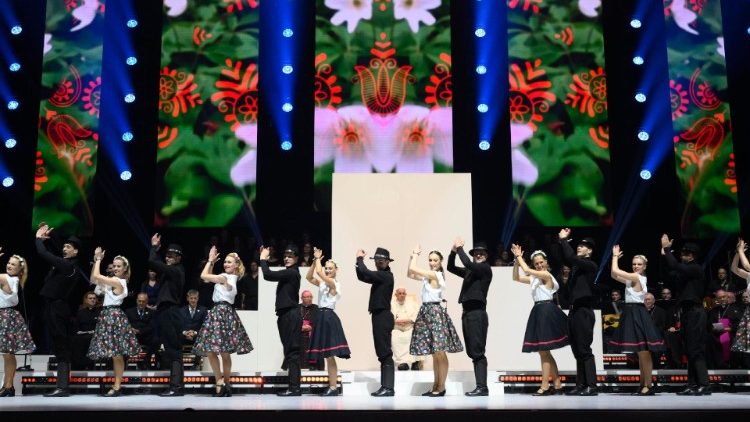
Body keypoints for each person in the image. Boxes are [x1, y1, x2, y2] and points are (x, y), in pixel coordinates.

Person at [193, 246, 254, 397]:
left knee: (224, 352)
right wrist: (212, 263)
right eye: (225, 261)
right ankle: (221, 381)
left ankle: (224, 383)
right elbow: (206, 278)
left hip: (223, 313)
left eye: (229, 262)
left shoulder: (227, 278)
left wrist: (210, 261)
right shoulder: (224, 276)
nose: (226, 264)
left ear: (236, 265)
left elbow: (203, 275)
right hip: (217, 312)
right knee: (211, 350)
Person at [510, 245, 568, 396]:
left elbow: (526, 270)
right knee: (545, 352)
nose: (539, 265)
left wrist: (519, 256)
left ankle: (545, 386)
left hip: (546, 311)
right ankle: (557, 385)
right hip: (539, 310)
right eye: (536, 263)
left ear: (546, 262)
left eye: (541, 262)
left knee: (543, 352)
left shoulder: (546, 275)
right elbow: (516, 277)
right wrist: (516, 262)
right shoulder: (535, 278)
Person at [608, 245, 665, 395]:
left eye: (639, 264)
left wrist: (615, 257)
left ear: (645, 266)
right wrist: (614, 260)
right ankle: (642, 384)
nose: (636, 266)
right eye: (634, 264)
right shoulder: (632, 278)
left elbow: (615, 270)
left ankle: (648, 385)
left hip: (637, 312)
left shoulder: (637, 277)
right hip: (631, 312)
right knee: (640, 352)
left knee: (644, 352)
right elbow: (613, 275)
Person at [35, 224, 84, 397]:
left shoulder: (69, 266)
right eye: (64, 246)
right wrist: (48, 239)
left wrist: (38, 239)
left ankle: (63, 387)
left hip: (58, 308)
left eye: (68, 247)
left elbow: (44, 254)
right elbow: (53, 253)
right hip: (52, 307)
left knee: (61, 347)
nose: (64, 248)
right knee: (58, 347)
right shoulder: (65, 264)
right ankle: (61, 386)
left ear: (76, 252)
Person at [407, 245, 463, 397]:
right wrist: (411, 257)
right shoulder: (429, 276)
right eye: (430, 260)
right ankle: (435, 386)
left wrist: (415, 254)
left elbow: (413, 268)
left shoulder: (435, 275)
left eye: (435, 260)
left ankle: (441, 386)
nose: (432, 263)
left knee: (440, 352)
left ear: (440, 261)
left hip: (434, 313)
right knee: (434, 353)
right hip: (426, 312)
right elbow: (410, 273)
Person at [87, 248, 140, 397]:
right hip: (108, 315)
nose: (115, 268)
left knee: (117, 354)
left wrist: (98, 259)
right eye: (114, 265)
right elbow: (93, 279)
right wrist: (96, 261)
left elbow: (96, 275)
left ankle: (117, 386)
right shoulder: (113, 281)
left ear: (125, 269)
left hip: (113, 316)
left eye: (118, 266)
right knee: (115, 354)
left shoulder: (118, 282)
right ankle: (116, 386)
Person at [661, 234, 710, 395]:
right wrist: (666, 255)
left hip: (696, 311)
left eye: (686, 253)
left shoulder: (696, 268)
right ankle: (692, 384)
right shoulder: (685, 272)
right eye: (682, 253)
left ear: (693, 256)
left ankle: (704, 384)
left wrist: (667, 250)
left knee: (696, 349)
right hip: (687, 312)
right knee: (689, 350)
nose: (683, 255)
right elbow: (671, 271)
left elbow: (676, 266)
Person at [447, 238, 493, 396]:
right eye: (476, 253)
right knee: (472, 351)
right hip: (467, 313)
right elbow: (450, 267)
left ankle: (482, 387)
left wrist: (460, 248)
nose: (478, 255)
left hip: (477, 313)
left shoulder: (485, 269)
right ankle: (480, 386)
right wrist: (453, 251)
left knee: (478, 351)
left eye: (481, 253)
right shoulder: (471, 271)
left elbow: (467, 263)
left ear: (486, 256)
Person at [304, 247, 351, 396]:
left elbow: (319, 273)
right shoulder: (324, 283)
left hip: (328, 318)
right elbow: (309, 277)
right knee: (328, 356)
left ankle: (333, 387)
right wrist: (314, 262)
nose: (328, 270)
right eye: (327, 268)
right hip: (321, 317)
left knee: (330, 355)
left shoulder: (333, 283)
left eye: (330, 268)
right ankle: (332, 386)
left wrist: (318, 258)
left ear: (336, 270)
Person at [557, 229, 598, 396]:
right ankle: (581, 385)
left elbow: (571, 257)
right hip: (574, 311)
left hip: (584, 311)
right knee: (577, 350)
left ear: (589, 251)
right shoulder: (576, 269)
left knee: (584, 349)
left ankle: (592, 386)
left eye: (582, 246)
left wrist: (563, 240)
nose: (579, 247)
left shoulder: (590, 265)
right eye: (578, 245)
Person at [260, 244, 302, 396]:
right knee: (290, 352)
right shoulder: (290, 273)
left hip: (290, 315)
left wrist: (262, 259)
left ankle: (294, 388)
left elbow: (267, 274)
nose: (286, 258)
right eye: (285, 256)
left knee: (292, 352)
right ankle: (293, 387)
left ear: (297, 258)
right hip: (286, 315)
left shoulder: (291, 272)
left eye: (290, 256)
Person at [148, 234, 186, 397]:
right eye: (167, 255)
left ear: (178, 258)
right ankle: (177, 386)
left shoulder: (176, 271)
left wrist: (154, 248)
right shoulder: (170, 272)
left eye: (171, 256)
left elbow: (153, 263)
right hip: (165, 311)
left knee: (173, 350)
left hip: (171, 312)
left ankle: (176, 387)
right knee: (171, 350)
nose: (168, 258)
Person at [356, 247, 395, 397]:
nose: (379, 263)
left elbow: (365, 272)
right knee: (382, 352)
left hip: (383, 316)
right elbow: (362, 276)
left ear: (387, 262)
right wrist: (357, 263)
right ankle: (386, 386)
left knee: (385, 352)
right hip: (379, 315)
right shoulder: (381, 276)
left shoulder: (386, 276)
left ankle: (388, 388)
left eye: (382, 260)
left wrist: (360, 259)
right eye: (377, 260)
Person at [0, 252, 36, 397]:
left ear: (19, 269)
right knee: (7, 355)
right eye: (9, 262)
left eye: (13, 264)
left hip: (6, 317)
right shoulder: (9, 278)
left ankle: (9, 386)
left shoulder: (8, 278)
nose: (9, 265)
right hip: (5, 316)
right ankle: (7, 385)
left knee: (8, 354)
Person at [391, 287, 422, 370]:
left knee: (414, 336)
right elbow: (388, 317)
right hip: (397, 328)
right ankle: (402, 363)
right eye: (400, 293)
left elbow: (418, 314)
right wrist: (396, 322)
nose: (402, 295)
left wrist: (409, 320)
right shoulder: (391, 304)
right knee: (394, 337)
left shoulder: (412, 303)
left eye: (403, 293)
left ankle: (415, 362)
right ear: (396, 295)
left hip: (410, 327)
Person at [125, 293, 156, 369]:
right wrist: (131, 329)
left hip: (145, 336)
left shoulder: (151, 312)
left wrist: (139, 331)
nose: (141, 303)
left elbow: (151, 326)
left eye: (143, 301)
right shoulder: (129, 311)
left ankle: (146, 361)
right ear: (136, 301)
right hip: (132, 336)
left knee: (156, 340)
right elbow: (125, 324)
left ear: (147, 302)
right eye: (139, 301)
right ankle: (124, 364)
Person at [71, 291, 100, 370]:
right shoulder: (80, 313)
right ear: (86, 300)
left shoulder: (100, 313)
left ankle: (89, 364)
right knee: (75, 340)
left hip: (95, 336)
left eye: (94, 298)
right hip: (82, 335)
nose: (92, 300)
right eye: (90, 298)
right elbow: (76, 326)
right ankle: (78, 366)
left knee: (88, 340)